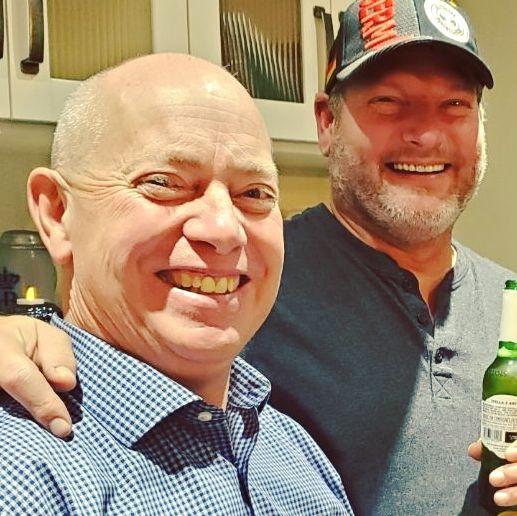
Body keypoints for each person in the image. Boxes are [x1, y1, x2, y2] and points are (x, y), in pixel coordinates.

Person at [0, 0, 514, 514]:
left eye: (455, 105)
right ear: (326, 122)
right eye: (388, 102)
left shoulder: (289, 451)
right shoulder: (246, 287)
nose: (224, 233)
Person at [0, 53, 353, 515]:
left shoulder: (293, 450)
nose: (224, 229)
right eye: (164, 183)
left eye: (255, 193)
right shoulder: (22, 473)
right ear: (57, 213)